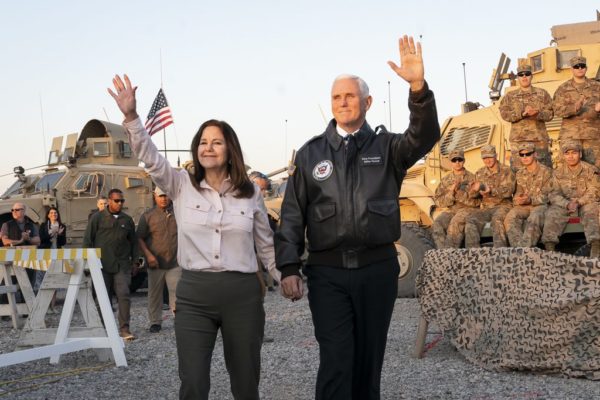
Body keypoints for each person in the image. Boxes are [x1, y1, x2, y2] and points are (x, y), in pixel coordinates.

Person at [275, 36, 440, 400]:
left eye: (350, 96)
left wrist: (417, 88)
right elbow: (291, 215)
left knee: (368, 362)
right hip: (328, 274)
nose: (343, 102)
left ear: (367, 102)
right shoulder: (309, 154)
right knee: (336, 358)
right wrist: (288, 267)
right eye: (337, 97)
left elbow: (424, 135)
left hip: (377, 271)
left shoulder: (388, 148)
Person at [108, 74, 281, 400]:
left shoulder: (250, 194)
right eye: (203, 141)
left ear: (230, 149)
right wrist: (131, 118)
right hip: (194, 295)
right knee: (193, 384)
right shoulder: (179, 185)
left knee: (246, 384)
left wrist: (285, 277)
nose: (208, 147)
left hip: (242, 295)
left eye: (216, 141)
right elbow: (150, 158)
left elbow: (266, 246)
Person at [83, 188, 139, 340]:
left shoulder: (127, 220)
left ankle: (124, 329)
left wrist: (135, 261)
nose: (120, 203)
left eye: (122, 201)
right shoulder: (97, 218)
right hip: (102, 265)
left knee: (124, 295)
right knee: (103, 297)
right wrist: (88, 263)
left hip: (122, 265)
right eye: (117, 200)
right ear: (109, 201)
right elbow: (88, 240)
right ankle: (105, 328)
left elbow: (134, 242)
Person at [541, 140, 600, 256]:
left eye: (574, 153)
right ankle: (550, 253)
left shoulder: (590, 170)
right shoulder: (558, 172)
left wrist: (578, 202)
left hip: (585, 203)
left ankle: (595, 251)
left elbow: (595, 191)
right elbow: (553, 194)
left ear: (580, 154)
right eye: (567, 153)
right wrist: (567, 204)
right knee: (552, 213)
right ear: (563, 155)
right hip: (565, 204)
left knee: (591, 211)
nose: (571, 156)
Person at [136, 186, 181, 333]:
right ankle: (155, 322)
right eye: (161, 196)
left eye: (166, 196)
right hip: (155, 262)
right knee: (154, 294)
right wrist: (148, 255)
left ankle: (179, 321)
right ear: (155, 196)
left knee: (177, 293)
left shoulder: (179, 214)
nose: (164, 199)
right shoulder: (148, 216)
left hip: (175, 262)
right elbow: (140, 238)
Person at [499, 64, 553, 170]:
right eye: (521, 74)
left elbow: (550, 114)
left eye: (527, 74)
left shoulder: (542, 94)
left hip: (539, 141)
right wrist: (521, 113)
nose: (524, 77)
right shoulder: (510, 96)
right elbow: (504, 114)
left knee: (544, 171)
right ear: (518, 77)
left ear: (531, 76)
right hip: (518, 142)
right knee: (518, 173)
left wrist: (537, 114)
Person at [553, 56, 600, 168]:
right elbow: (556, 110)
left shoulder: (597, 87)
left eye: (582, 66)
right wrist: (573, 108)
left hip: (592, 136)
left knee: (595, 169)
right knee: (569, 170)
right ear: (571, 69)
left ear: (586, 68)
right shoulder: (563, 89)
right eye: (576, 66)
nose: (579, 68)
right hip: (571, 136)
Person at [464, 145, 515, 248]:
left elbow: (509, 191)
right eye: (485, 158)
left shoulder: (507, 171)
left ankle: (500, 254)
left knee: (496, 220)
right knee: (471, 220)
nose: (488, 160)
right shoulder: (479, 173)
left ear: (496, 156)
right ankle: (473, 255)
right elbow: (472, 195)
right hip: (486, 208)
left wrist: (491, 191)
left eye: (490, 157)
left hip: (503, 206)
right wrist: (474, 190)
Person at [503, 142, 553, 247]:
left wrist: (531, 200)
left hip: (541, 206)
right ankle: (519, 249)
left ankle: (526, 249)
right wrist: (519, 199)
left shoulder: (547, 172)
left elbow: (550, 196)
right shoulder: (520, 174)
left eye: (528, 154)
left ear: (534, 154)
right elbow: (517, 194)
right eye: (522, 155)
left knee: (534, 218)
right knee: (510, 217)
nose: (525, 157)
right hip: (524, 207)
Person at [432, 149, 479, 248]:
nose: (457, 162)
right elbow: (438, 201)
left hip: (468, 210)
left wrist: (460, 194)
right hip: (452, 210)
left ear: (464, 161)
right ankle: (443, 253)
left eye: (460, 159)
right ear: (451, 162)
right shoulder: (446, 180)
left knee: (455, 223)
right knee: (437, 223)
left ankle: (450, 254)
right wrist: (451, 193)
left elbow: (478, 201)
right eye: (454, 160)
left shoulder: (473, 178)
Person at [1, 203, 41, 287]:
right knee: (8, 285)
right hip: (11, 260)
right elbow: (5, 241)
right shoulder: (6, 225)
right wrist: (21, 240)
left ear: (24, 211)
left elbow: (38, 241)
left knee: (28, 285)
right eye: (12, 210)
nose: (14, 212)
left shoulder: (32, 225)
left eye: (17, 209)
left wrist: (28, 239)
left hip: (28, 261)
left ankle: (27, 300)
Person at [37, 207, 67, 292]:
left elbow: (63, 243)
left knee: (55, 274)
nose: (54, 214)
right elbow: (41, 239)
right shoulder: (43, 226)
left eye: (55, 213)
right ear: (48, 215)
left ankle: (54, 302)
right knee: (45, 274)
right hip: (46, 252)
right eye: (52, 213)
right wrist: (52, 233)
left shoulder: (62, 226)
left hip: (56, 252)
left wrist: (60, 235)